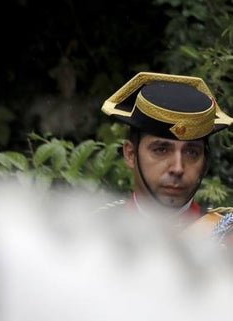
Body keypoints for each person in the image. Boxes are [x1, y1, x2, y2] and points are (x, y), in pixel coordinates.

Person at [99, 71, 231, 227]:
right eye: (161, 150)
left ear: (205, 161)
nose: (177, 168)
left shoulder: (226, 240)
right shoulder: (92, 234)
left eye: (191, 153)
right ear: (130, 154)